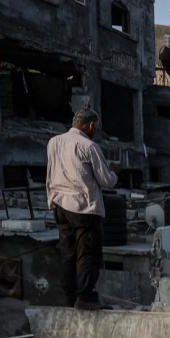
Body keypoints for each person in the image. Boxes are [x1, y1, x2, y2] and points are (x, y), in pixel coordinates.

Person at [46, 109, 118, 309]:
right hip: (84, 208)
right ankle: (85, 297)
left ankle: (70, 298)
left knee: (68, 253)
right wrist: (114, 172)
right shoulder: (89, 145)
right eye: (95, 126)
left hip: (60, 205)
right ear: (91, 125)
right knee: (87, 254)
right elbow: (106, 181)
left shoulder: (54, 142)